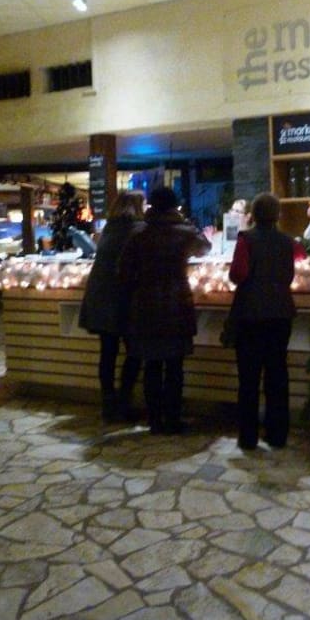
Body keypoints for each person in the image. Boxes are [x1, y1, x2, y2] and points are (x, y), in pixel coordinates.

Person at [119, 186, 211, 434]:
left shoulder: (139, 233)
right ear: (174, 206)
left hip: (145, 306)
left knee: (151, 365)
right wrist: (186, 222)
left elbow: (123, 271)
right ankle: (172, 419)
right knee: (174, 366)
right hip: (176, 304)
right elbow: (205, 247)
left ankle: (154, 420)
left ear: (152, 206)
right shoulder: (184, 231)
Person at [228, 192, 307, 450]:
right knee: (277, 375)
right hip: (281, 312)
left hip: (250, 313)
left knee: (249, 378)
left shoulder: (246, 239)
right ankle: (277, 434)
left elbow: (238, 274)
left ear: (253, 214)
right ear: (277, 215)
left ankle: (248, 437)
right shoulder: (288, 242)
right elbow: (298, 265)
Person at [79, 191, 147, 422]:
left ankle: (109, 404)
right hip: (125, 299)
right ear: (138, 206)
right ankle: (124, 401)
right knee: (135, 352)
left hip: (100, 298)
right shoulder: (139, 229)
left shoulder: (109, 229)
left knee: (107, 353)